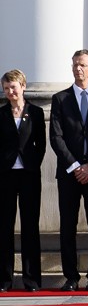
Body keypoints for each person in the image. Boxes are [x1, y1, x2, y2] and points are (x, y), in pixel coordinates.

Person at [49, 49, 88, 292]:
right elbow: (56, 137)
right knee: (68, 226)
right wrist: (76, 166)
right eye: (75, 64)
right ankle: (71, 277)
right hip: (69, 173)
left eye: (83, 65)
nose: (78, 68)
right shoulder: (60, 99)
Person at [0, 69, 46, 292]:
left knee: (30, 227)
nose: (10, 91)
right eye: (6, 88)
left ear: (23, 86)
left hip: (29, 175)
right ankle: (4, 280)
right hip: (5, 176)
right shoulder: (1, 114)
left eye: (13, 87)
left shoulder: (36, 113)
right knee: (4, 227)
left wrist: (32, 164)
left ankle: (31, 280)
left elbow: (41, 145)